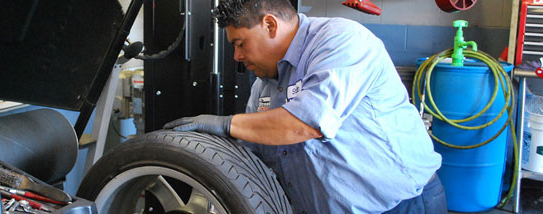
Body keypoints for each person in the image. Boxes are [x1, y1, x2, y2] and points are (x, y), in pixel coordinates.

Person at [163, 0, 447, 213]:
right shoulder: (263, 88)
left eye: (240, 43)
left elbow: (306, 123)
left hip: (401, 204)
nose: (237, 56)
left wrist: (225, 124)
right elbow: (251, 161)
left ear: (270, 25)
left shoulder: (340, 40)